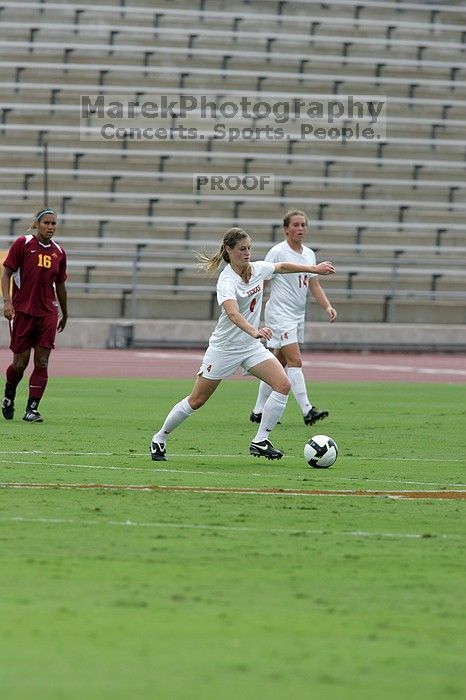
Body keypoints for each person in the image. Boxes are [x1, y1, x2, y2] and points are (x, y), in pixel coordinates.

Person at [150, 227, 335, 462]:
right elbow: (234, 314)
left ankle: (260, 441)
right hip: (225, 348)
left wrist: (313, 269)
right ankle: (160, 438)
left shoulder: (256, 269)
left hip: (250, 346)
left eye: (249, 248)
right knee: (197, 400)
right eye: (242, 249)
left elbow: (281, 267)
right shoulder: (227, 281)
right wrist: (255, 331)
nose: (247, 253)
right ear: (229, 250)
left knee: (282, 384)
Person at [250, 210, 337, 426]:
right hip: (279, 314)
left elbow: (313, 283)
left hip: (298, 315)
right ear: (286, 229)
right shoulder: (277, 252)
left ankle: (258, 410)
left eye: (303, 225)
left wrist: (327, 306)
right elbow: (262, 280)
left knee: (277, 361)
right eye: (296, 225)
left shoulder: (309, 254)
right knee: (295, 360)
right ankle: (308, 410)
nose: (300, 228)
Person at [1, 208, 68, 422]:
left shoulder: (59, 252)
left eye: (53, 224)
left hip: (47, 313)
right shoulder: (23, 243)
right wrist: (7, 302)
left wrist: (65, 314)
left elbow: (61, 286)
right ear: (37, 224)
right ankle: (9, 395)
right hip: (23, 312)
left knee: (42, 361)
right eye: (46, 223)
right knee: (20, 364)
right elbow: (7, 273)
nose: (50, 227)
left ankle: (32, 409)